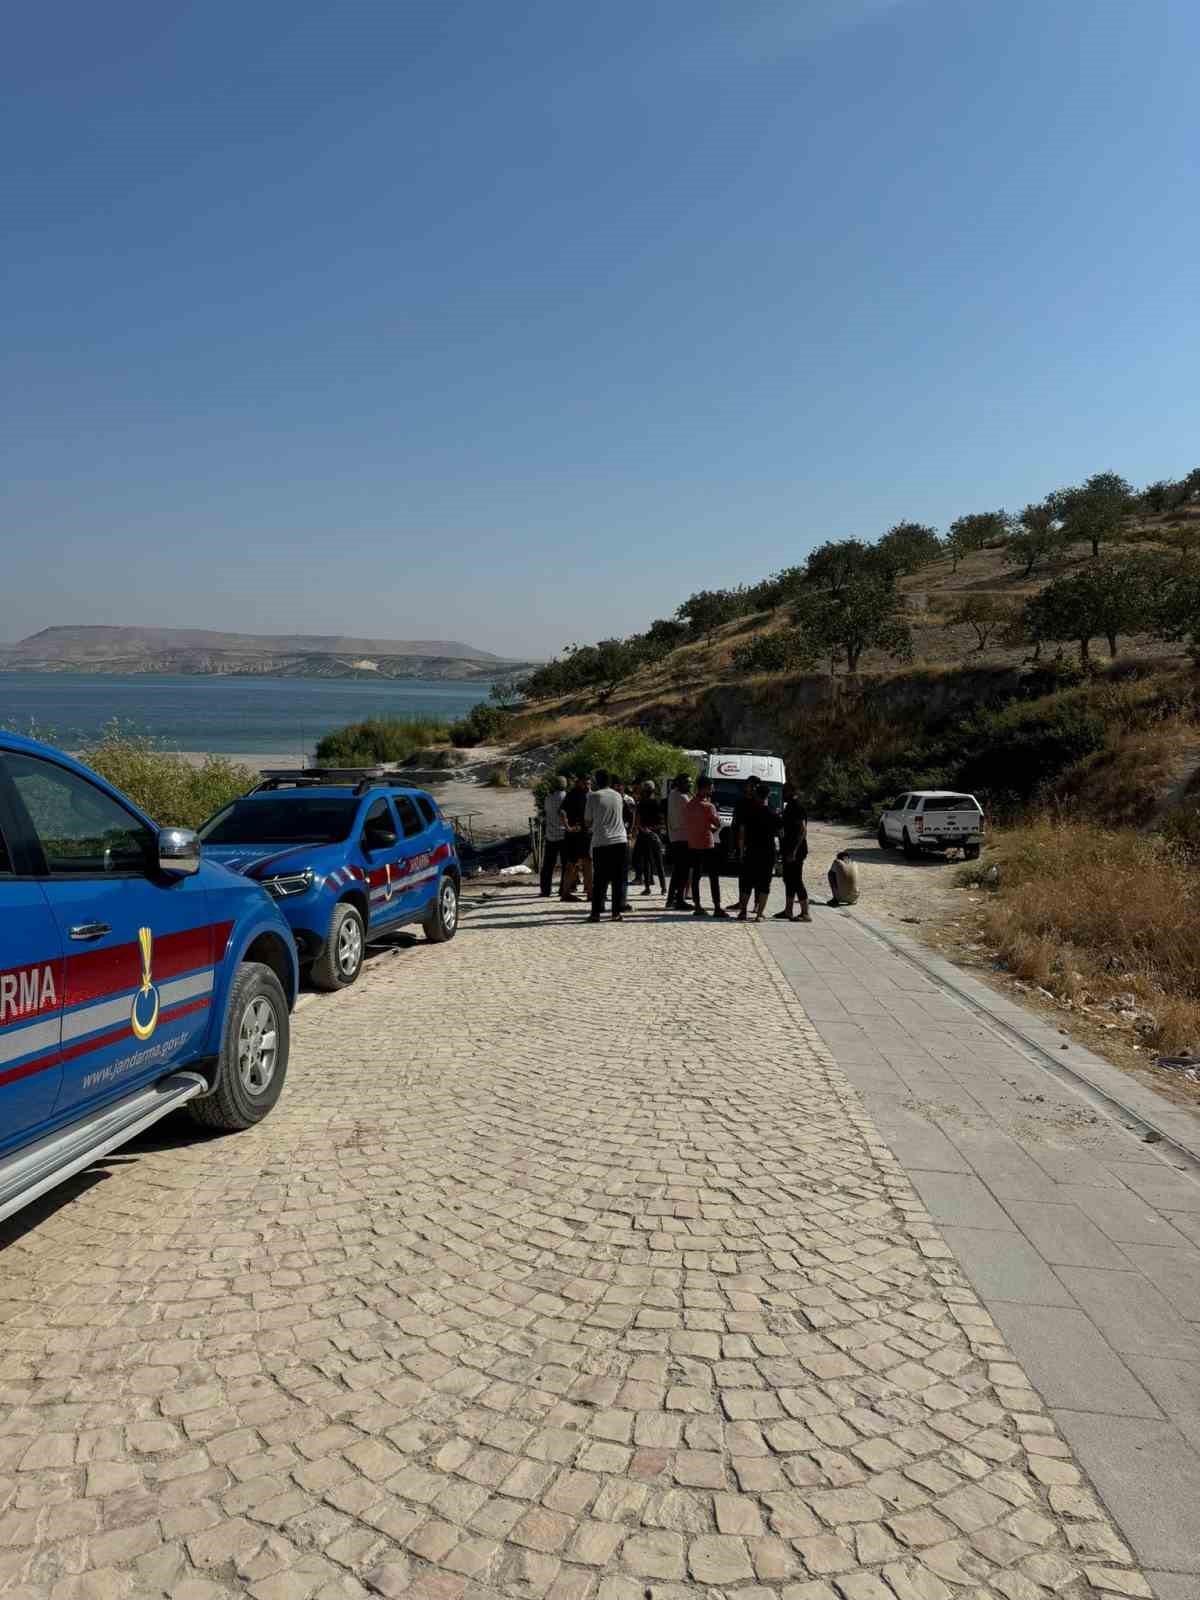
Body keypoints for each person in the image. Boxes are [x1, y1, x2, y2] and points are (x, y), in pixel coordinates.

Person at [734, 779, 781, 921]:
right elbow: (780, 834)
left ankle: (743, 912)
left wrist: (741, 851)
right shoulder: (773, 814)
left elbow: (741, 833)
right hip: (768, 852)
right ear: (768, 796)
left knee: (746, 882)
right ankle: (759, 914)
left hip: (751, 851)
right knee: (764, 884)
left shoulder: (748, 812)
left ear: (756, 795)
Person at [585, 769, 629, 922]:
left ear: (597, 781)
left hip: (602, 841)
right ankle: (616, 913)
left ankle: (596, 913)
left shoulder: (593, 796)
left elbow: (588, 821)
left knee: (600, 880)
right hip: (620, 840)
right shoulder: (618, 795)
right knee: (618, 879)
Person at [685, 776, 729, 918]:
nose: (713, 789)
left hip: (693, 844)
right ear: (705, 787)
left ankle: (697, 906)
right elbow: (717, 824)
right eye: (711, 786)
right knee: (713, 876)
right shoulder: (709, 806)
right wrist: (710, 829)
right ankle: (717, 907)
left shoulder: (689, 804)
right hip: (707, 845)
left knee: (696, 876)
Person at [775, 781, 812, 922]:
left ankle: (805, 913)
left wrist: (794, 851)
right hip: (787, 849)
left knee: (796, 880)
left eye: (785, 791)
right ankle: (788, 910)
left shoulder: (798, 807)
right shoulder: (789, 807)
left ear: (791, 791)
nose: (782, 794)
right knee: (788, 879)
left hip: (796, 850)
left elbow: (802, 830)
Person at [559, 774, 593, 901]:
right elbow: (562, 812)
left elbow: (562, 812)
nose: (588, 786)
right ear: (579, 782)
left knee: (573, 864)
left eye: (589, 784)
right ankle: (589, 893)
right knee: (587, 863)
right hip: (582, 834)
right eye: (586, 783)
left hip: (575, 834)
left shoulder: (572, 794)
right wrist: (568, 827)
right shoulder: (579, 795)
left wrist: (568, 827)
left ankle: (566, 892)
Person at [632, 781, 667, 895]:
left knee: (647, 861)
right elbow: (662, 821)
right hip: (654, 834)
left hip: (645, 834)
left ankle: (648, 887)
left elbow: (637, 820)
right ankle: (663, 887)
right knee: (657, 861)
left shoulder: (642, 803)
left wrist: (642, 829)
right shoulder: (657, 802)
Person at [665, 773, 694, 909]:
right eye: (687, 782)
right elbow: (693, 811)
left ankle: (671, 899)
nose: (690, 785)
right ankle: (679, 900)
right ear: (680, 783)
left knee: (678, 871)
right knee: (682, 871)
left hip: (675, 837)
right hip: (683, 837)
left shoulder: (672, 794)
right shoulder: (683, 798)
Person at [539, 776, 568, 897]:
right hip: (564, 835)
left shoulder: (548, 798)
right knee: (566, 865)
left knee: (548, 865)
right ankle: (563, 889)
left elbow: (546, 813)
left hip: (551, 835)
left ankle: (545, 890)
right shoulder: (567, 797)